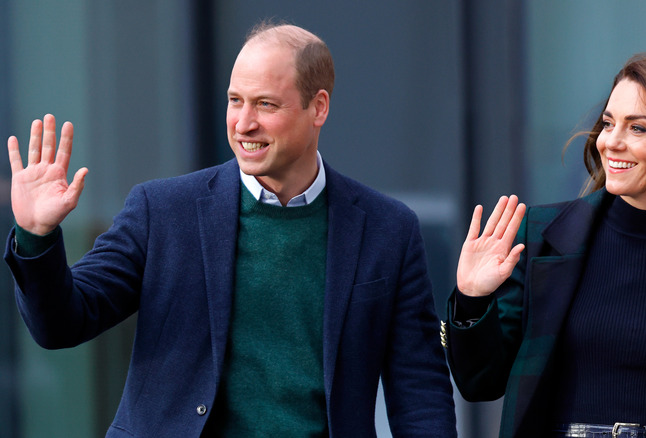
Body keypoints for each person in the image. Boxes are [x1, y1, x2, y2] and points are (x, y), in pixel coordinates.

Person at [5, 21, 456, 437]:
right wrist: (36, 237)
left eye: (265, 104)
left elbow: (420, 391)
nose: (243, 123)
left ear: (318, 107)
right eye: (235, 100)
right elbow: (61, 324)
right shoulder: (162, 211)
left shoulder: (387, 230)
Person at [444, 54, 646, 437]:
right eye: (608, 123)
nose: (611, 142)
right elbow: (479, 383)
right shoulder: (542, 237)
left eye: (638, 129)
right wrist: (471, 300)